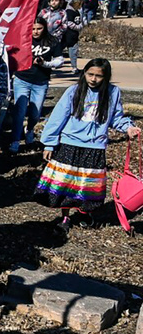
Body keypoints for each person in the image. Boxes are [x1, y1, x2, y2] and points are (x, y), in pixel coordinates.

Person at [36, 59, 140, 234]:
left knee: (89, 184)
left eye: (98, 76)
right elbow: (58, 117)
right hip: (70, 143)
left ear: (106, 77)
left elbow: (116, 117)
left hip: (95, 146)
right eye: (90, 74)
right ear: (84, 73)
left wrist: (128, 127)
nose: (93, 79)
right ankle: (65, 216)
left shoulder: (112, 93)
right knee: (66, 182)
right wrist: (50, 142)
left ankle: (84, 211)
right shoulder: (74, 91)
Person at [9, 18, 63, 153]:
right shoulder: (23, 40)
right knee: (19, 112)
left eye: (39, 28)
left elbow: (59, 60)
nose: (35, 32)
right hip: (22, 79)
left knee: (35, 113)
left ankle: (30, 129)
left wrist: (45, 64)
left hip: (41, 81)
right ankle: (15, 140)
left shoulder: (52, 41)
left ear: (44, 28)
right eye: (33, 29)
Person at [64, 0, 85, 73]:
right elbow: (69, 23)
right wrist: (78, 27)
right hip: (68, 34)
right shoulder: (69, 12)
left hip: (74, 35)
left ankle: (74, 67)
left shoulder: (76, 12)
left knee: (73, 51)